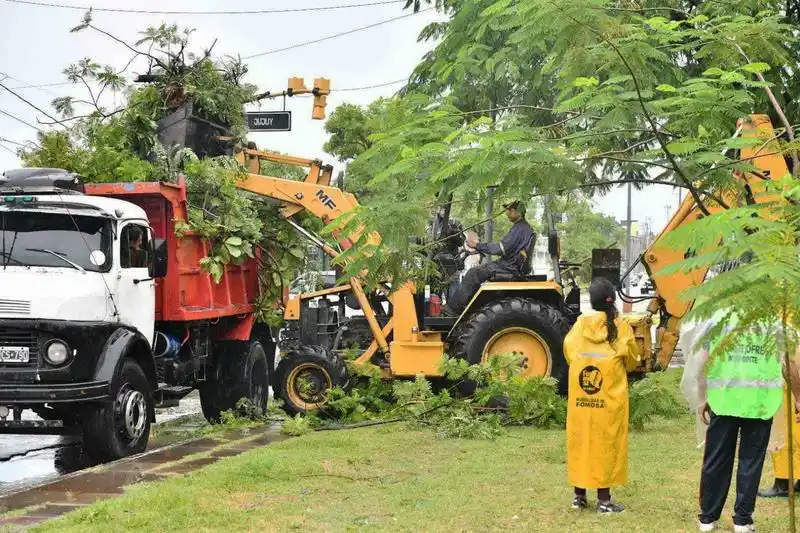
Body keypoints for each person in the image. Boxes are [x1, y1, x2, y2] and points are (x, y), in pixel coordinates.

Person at [687, 310, 800, 532]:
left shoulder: (717, 319)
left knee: (716, 460)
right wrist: (798, 396)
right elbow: (790, 365)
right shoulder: (774, 322)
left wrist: (703, 398)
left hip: (724, 400)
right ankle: (743, 520)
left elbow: (701, 362)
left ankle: (708, 519)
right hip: (759, 403)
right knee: (751, 461)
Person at [564, 277, 639, 514]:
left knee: (581, 442)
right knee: (606, 444)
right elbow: (632, 360)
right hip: (609, 400)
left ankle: (579, 497)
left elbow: (569, 353)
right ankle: (604, 501)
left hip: (581, 399)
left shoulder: (579, 326)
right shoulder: (621, 327)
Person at [445, 200, 534, 314]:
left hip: (508, 267)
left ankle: (453, 309)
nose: (507, 213)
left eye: (510, 210)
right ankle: (470, 308)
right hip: (510, 265)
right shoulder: (524, 228)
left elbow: (500, 249)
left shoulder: (519, 229)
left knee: (473, 273)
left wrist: (477, 245)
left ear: (519, 212)